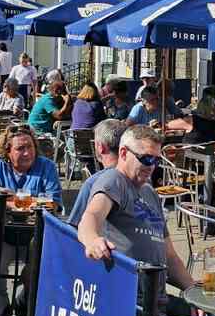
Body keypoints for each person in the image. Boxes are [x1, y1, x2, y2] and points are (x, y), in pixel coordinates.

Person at [76, 125, 199, 303]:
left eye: (156, 160)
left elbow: (170, 257)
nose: (152, 166)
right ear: (124, 153)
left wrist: (194, 292)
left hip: (157, 299)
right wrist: (92, 240)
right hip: (129, 302)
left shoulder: (149, 192)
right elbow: (91, 216)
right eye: (146, 159)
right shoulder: (114, 180)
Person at [0, 124, 62, 204]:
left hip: (37, 216)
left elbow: (54, 203)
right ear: (7, 151)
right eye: (20, 148)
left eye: (30, 146)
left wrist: (16, 198)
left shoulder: (47, 166)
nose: (26, 153)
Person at [66, 118, 125, 225]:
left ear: (100, 147)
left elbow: (74, 226)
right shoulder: (142, 180)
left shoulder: (94, 183)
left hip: (104, 240)